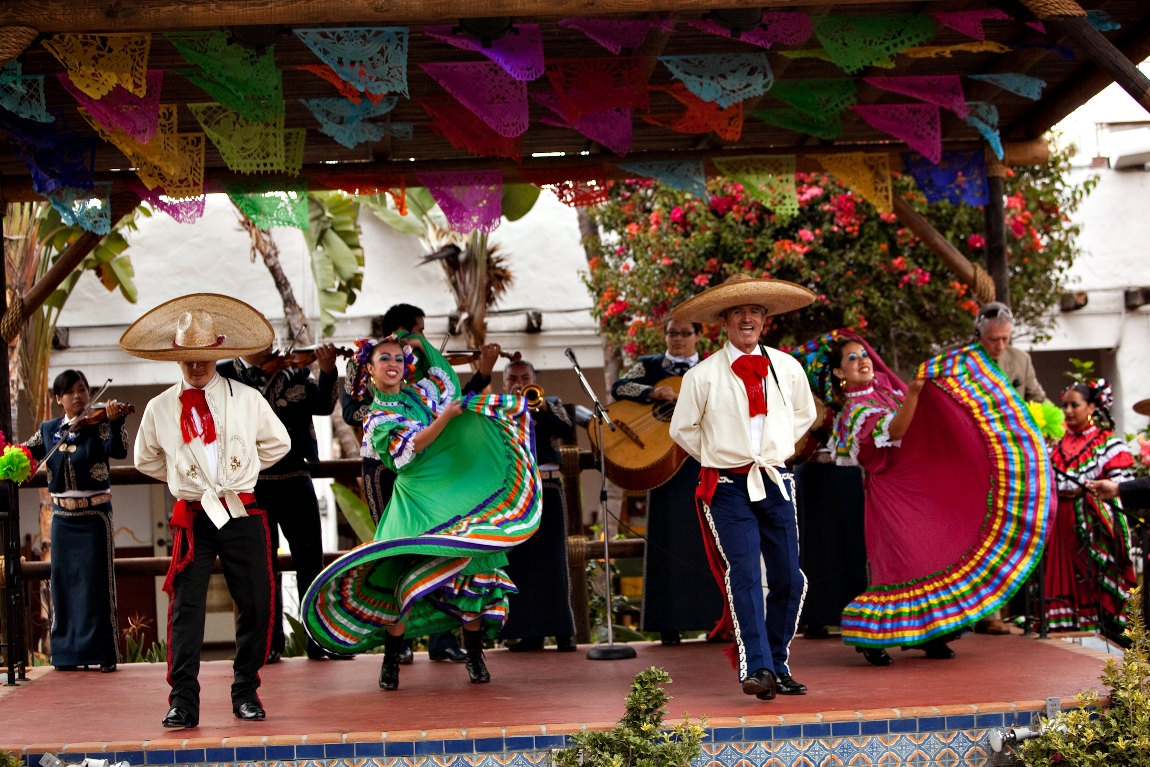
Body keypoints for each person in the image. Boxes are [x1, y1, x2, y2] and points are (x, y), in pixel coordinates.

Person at [303, 334, 540, 690]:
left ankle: (475, 657)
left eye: (398, 358)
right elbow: (409, 450)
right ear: (368, 368)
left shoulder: (417, 394)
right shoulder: (377, 417)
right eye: (384, 358)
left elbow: (443, 374)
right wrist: (444, 418)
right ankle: (390, 662)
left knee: (470, 572)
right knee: (400, 577)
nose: (393, 364)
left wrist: (420, 340)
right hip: (413, 498)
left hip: (442, 491)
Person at [827, 332, 1053, 664]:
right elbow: (894, 432)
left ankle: (934, 632)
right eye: (851, 358)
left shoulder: (888, 393)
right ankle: (871, 636)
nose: (862, 360)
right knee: (903, 566)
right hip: (893, 496)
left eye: (864, 355)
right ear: (838, 373)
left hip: (917, 485)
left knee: (934, 556)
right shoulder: (855, 410)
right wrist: (916, 391)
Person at [125, 295, 291, 728]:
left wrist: (240, 474)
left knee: (256, 599)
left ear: (217, 353)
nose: (197, 367)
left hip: (240, 509)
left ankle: (246, 690)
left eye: (204, 358)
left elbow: (279, 444)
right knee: (186, 608)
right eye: (189, 360)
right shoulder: (160, 406)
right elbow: (145, 459)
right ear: (177, 357)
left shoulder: (248, 397)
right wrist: (186, 481)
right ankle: (183, 700)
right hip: (195, 514)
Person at [668, 274, 819, 701]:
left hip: (774, 478)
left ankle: (777, 659)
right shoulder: (703, 375)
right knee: (748, 574)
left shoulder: (787, 367)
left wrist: (776, 449)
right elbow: (683, 430)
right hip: (729, 486)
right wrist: (720, 455)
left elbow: (805, 414)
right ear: (725, 321)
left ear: (765, 320)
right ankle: (758, 668)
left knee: (790, 578)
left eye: (755, 311)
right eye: (739, 312)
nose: (747, 318)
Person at [341, 303, 500, 664]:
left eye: (399, 356)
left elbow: (449, 397)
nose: (393, 362)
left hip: (425, 469)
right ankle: (398, 650)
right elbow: (357, 412)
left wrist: (480, 373)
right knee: (401, 554)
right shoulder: (367, 372)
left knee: (448, 548)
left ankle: (448, 643)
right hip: (386, 470)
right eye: (420, 331)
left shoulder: (415, 378)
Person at [217, 342, 346, 662]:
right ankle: (268, 643)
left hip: (295, 479)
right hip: (251, 484)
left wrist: (328, 370)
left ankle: (319, 641)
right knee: (262, 567)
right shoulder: (225, 375)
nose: (272, 348)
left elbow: (323, 406)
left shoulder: (298, 371)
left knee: (310, 562)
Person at [610, 318, 724, 646]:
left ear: (698, 336)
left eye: (685, 332)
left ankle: (715, 623)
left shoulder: (711, 368)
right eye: (672, 333)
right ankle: (668, 624)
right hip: (664, 467)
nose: (677, 339)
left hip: (701, 462)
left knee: (711, 543)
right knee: (666, 542)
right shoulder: (650, 365)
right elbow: (620, 387)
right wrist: (651, 392)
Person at [25, 370, 129, 673]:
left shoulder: (99, 426)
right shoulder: (48, 430)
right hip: (62, 519)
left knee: (97, 584)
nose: (78, 396)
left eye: (82, 389)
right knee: (64, 584)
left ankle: (105, 653)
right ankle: (68, 655)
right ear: (58, 399)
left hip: (94, 515)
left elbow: (118, 451)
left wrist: (115, 420)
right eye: (69, 392)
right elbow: (24, 454)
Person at [1046, 379, 1135, 642]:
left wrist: (1086, 490)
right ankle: (1063, 620)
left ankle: (1101, 624)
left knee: (1091, 574)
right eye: (1065, 405)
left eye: (1075, 405)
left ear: (1092, 407)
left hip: (1091, 525)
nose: (1069, 411)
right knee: (1061, 573)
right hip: (1058, 523)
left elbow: (1123, 484)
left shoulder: (1108, 444)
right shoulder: (1054, 445)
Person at [498, 359, 577, 652]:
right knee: (521, 563)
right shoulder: (498, 410)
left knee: (554, 561)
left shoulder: (550, 403)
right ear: (504, 383)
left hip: (547, 486)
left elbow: (566, 427)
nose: (519, 383)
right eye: (512, 378)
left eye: (525, 377)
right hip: (515, 490)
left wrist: (539, 407)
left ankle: (564, 634)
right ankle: (530, 633)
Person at [975, 302, 1046, 402]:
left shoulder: (1021, 359)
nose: (1000, 346)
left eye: (1005, 339)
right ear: (978, 333)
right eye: (993, 339)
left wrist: (1058, 417)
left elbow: (1037, 399)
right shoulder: (953, 358)